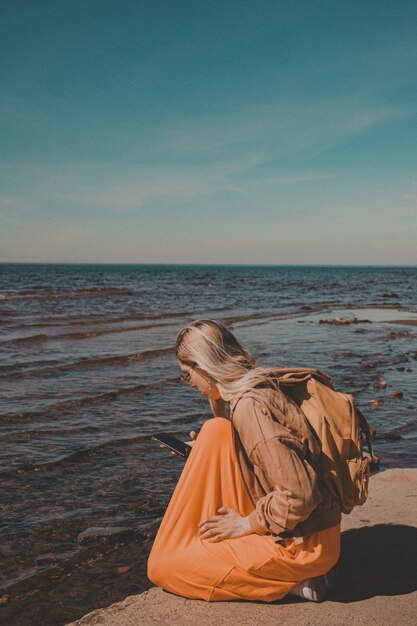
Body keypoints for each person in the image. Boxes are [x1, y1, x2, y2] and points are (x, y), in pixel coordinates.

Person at [147, 319, 341, 603]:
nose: (189, 384)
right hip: (313, 532)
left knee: (164, 565)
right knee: (214, 431)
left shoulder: (250, 407)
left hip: (303, 548)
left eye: (187, 375)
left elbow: (302, 494)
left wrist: (247, 524)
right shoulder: (261, 384)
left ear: (204, 365)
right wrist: (206, 446)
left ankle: (299, 581)